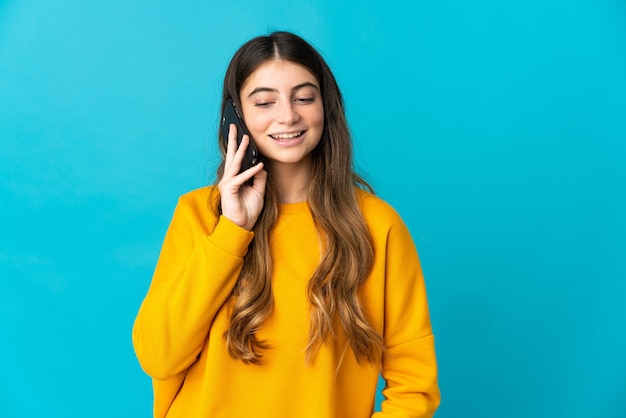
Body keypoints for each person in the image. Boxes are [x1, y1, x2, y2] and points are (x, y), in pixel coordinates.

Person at [132, 31, 440, 418]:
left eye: (304, 98)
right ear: (237, 116)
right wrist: (232, 230)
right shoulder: (199, 214)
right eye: (264, 101)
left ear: (326, 107)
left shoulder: (377, 226)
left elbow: (415, 384)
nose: (288, 115)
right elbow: (158, 357)